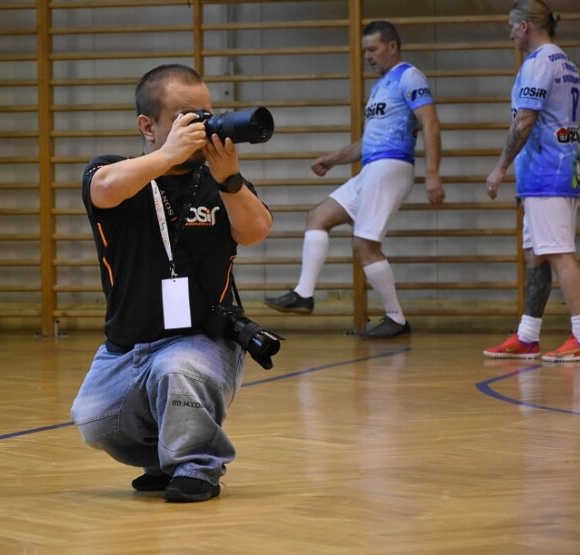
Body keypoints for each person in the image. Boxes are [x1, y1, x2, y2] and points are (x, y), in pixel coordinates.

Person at [70, 64, 272, 502]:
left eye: (206, 113)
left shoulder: (222, 182)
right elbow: (102, 189)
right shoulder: (115, 171)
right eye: (186, 116)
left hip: (203, 337)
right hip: (128, 342)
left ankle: (198, 466)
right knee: (93, 419)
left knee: (176, 369)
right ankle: (167, 458)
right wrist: (167, 157)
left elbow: (255, 230)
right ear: (149, 125)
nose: (201, 126)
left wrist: (231, 181)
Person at [264, 20, 444, 338]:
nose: (369, 56)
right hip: (373, 166)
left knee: (365, 246)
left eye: (373, 49)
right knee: (318, 217)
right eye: (365, 51)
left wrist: (432, 174)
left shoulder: (409, 76)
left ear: (392, 46)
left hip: (391, 166)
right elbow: (368, 141)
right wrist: (333, 160)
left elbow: (429, 123)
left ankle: (396, 319)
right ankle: (304, 294)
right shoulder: (381, 86)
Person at [483, 0, 580, 362]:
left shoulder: (539, 63)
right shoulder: (563, 60)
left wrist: (500, 168)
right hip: (550, 171)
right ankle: (528, 336)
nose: (510, 33)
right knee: (536, 256)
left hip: (548, 172)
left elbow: (525, 122)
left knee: (559, 252)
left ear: (526, 25)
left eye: (512, 27)